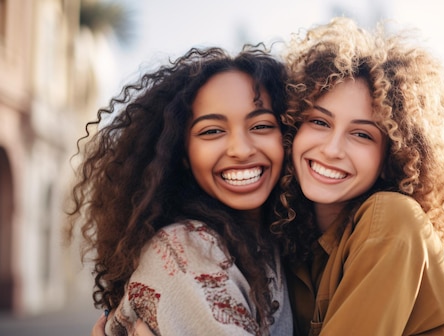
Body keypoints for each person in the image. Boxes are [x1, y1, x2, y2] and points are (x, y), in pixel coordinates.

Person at [271, 17, 444, 335]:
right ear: (293, 126)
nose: (333, 149)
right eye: (319, 122)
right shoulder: (294, 240)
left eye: (362, 134)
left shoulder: (391, 219)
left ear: (393, 154)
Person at [68, 45, 293, 336]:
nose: (240, 149)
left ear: (287, 136)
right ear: (182, 153)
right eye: (212, 131)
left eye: (261, 125)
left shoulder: (272, 242)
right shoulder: (186, 249)